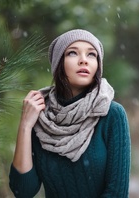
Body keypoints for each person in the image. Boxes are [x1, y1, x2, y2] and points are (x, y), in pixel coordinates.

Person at [9, 29, 131, 198]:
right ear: (59, 63)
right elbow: (22, 191)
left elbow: (117, 193)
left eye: (91, 55)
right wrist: (25, 125)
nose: (84, 61)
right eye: (73, 53)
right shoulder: (42, 117)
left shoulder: (111, 114)